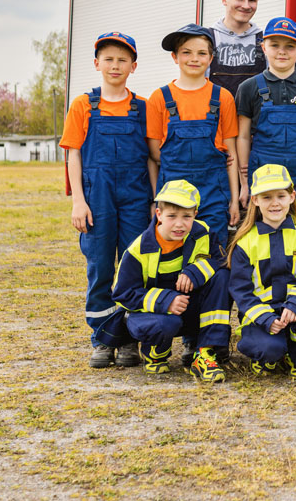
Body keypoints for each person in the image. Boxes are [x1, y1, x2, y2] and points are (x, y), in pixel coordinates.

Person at [59, 31, 155, 368]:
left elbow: (150, 158)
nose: (115, 65)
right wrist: (78, 202)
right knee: (100, 266)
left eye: (122, 59)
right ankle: (102, 338)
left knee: (134, 267)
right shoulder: (83, 105)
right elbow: (73, 155)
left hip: (135, 196)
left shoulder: (143, 108)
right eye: (109, 59)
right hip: (96, 197)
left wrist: (155, 200)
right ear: (97, 63)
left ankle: (128, 340)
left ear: (134, 65)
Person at [111, 180, 232, 383]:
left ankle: (205, 352)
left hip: (189, 309)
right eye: (172, 216)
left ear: (195, 214)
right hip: (155, 316)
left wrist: (195, 272)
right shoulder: (138, 249)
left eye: (187, 216)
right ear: (158, 215)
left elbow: (221, 260)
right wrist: (165, 301)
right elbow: (122, 294)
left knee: (222, 277)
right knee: (167, 322)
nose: (179, 224)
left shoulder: (203, 232)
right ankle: (154, 354)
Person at [228, 164, 296, 381]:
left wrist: (294, 304)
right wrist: (265, 319)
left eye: (281, 196)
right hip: (261, 315)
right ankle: (265, 353)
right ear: (255, 200)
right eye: (266, 197)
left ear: (292, 197)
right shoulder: (245, 244)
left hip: (294, 310)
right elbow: (241, 291)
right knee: (270, 349)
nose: (275, 203)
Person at [147, 24, 240, 252]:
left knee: (213, 250)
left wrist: (234, 200)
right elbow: (153, 155)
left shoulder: (223, 98)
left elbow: (231, 153)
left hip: (213, 193)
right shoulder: (159, 98)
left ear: (211, 58)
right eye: (186, 52)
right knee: (172, 251)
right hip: (171, 193)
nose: (194, 58)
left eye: (201, 53)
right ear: (175, 57)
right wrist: (155, 199)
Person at [236, 17, 296, 233]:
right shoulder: (249, 88)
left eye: (290, 46)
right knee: (262, 239)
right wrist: (244, 182)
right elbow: (243, 136)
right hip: (264, 184)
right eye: (274, 45)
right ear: (263, 47)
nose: (282, 52)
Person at [209, 0, 266, 97]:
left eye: (252, 0)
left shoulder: (265, 41)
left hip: (254, 116)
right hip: (216, 115)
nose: (246, 6)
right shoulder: (207, 39)